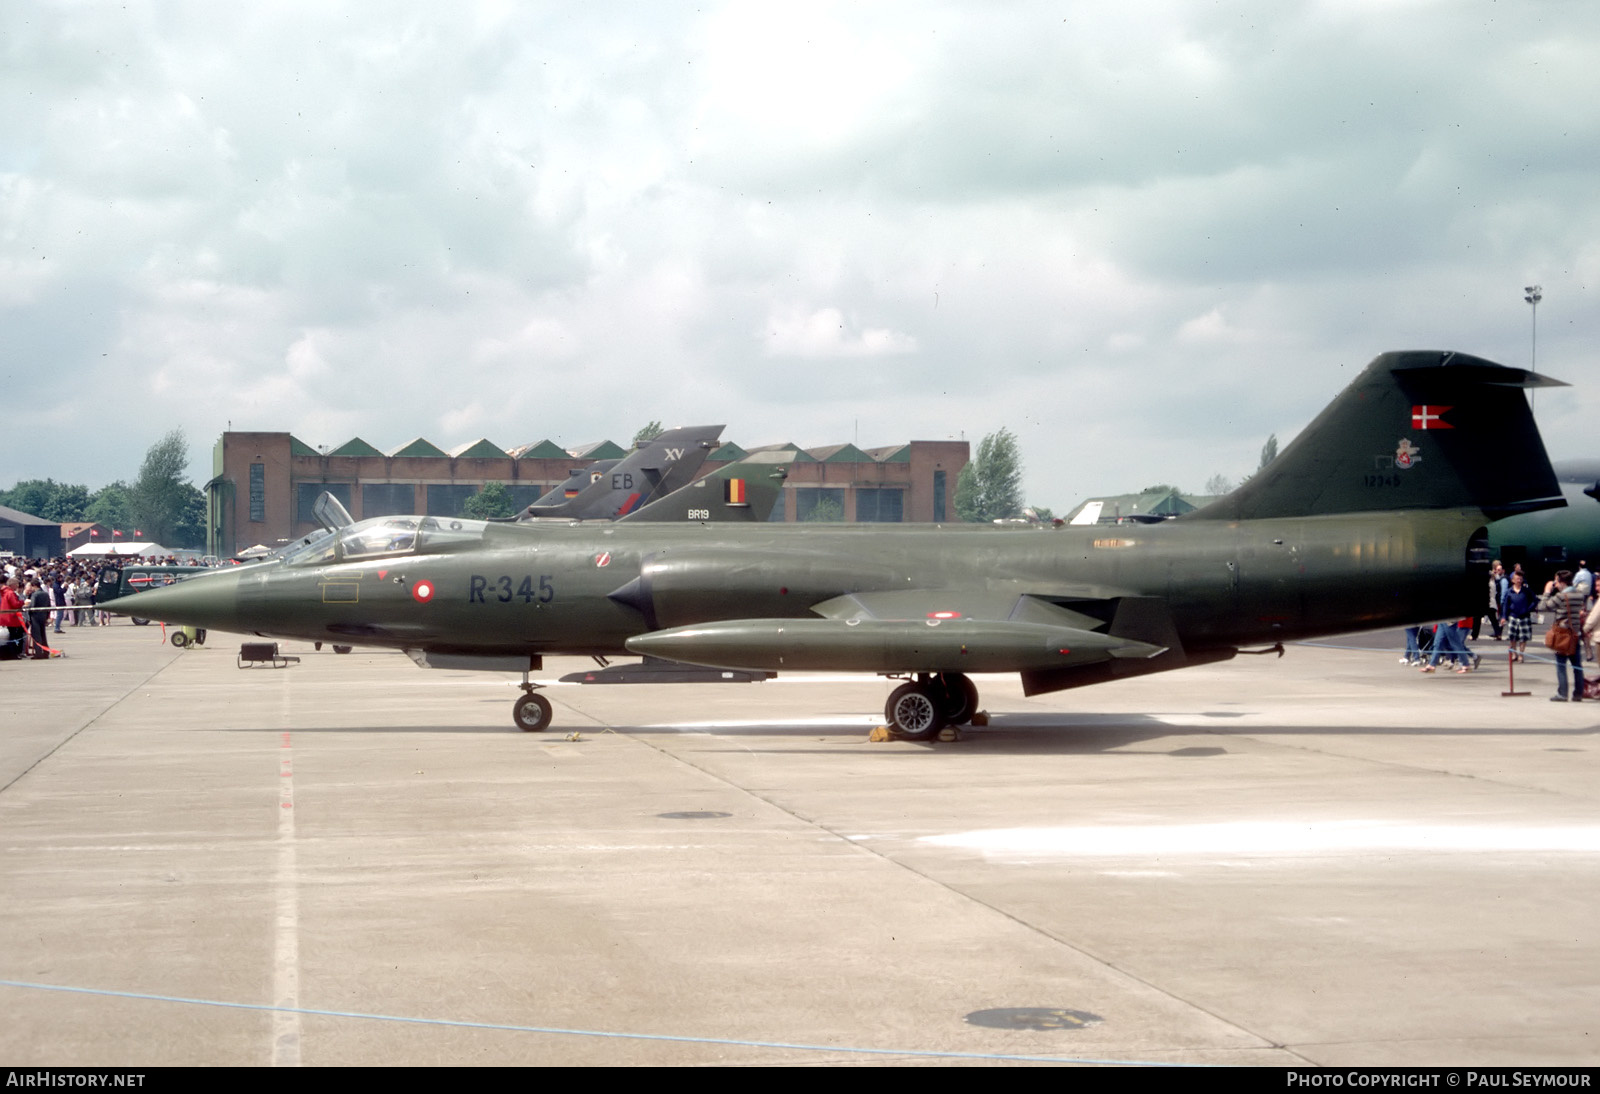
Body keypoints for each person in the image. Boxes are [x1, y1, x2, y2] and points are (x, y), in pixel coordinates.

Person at [1537, 570, 1586, 702]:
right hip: (1575, 633)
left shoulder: (1561, 596)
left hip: (1562, 634)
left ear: (1562, 582)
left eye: (1557, 582)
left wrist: (1547, 591)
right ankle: (1578, 693)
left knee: (1561, 665)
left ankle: (1562, 693)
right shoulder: (1579, 595)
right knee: (1577, 666)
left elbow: (1542, 607)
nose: (1556, 584)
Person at [1501, 571, 1535, 663]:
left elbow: (1534, 600)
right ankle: (1514, 653)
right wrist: (1503, 617)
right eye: (1517, 579)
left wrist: (1529, 609)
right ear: (1513, 580)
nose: (1519, 580)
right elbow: (1505, 605)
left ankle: (1521, 655)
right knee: (1512, 637)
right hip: (1513, 616)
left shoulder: (1526, 591)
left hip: (1524, 616)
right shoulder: (1509, 591)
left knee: (1523, 637)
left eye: (1520, 578)